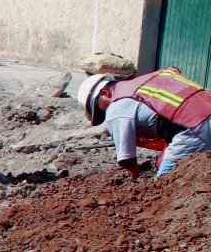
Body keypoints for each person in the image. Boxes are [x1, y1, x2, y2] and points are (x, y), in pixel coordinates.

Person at [78, 67, 211, 178]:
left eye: (100, 111)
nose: (105, 116)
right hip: (206, 110)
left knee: (165, 185)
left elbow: (127, 160)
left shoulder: (116, 108)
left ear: (105, 93)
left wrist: (135, 181)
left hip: (196, 128)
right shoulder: (148, 80)